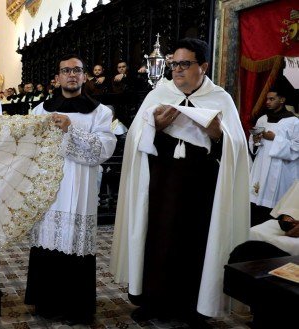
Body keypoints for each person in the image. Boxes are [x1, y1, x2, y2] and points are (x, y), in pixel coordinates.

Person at [110, 38, 250, 325]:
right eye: (174, 64)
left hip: (202, 186)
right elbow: (136, 139)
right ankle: (151, 300)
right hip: (160, 183)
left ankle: (193, 308)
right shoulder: (159, 94)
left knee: (195, 242)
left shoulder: (220, 98)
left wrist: (217, 134)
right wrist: (156, 127)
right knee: (156, 239)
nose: (176, 70)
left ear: (204, 66)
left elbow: (237, 149)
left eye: (185, 64)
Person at [25, 54, 116, 325]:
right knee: (48, 242)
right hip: (48, 190)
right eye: (66, 71)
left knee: (75, 245)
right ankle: (46, 304)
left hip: (80, 189)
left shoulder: (100, 111)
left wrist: (71, 130)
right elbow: (30, 146)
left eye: (77, 70)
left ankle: (77, 308)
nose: (72, 75)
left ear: (84, 76)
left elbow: (104, 148)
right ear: (58, 77)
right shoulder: (41, 110)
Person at [248, 87, 298, 226]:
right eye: (267, 99)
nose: (268, 102)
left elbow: (296, 148)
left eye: (272, 99)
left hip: (282, 169)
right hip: (261, 166)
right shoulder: (262, 119)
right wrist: (256, 139)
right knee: (257, 207)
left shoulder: (294, 122)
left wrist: (275, 139)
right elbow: (254, 144)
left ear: (282, 100)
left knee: (276, 207)